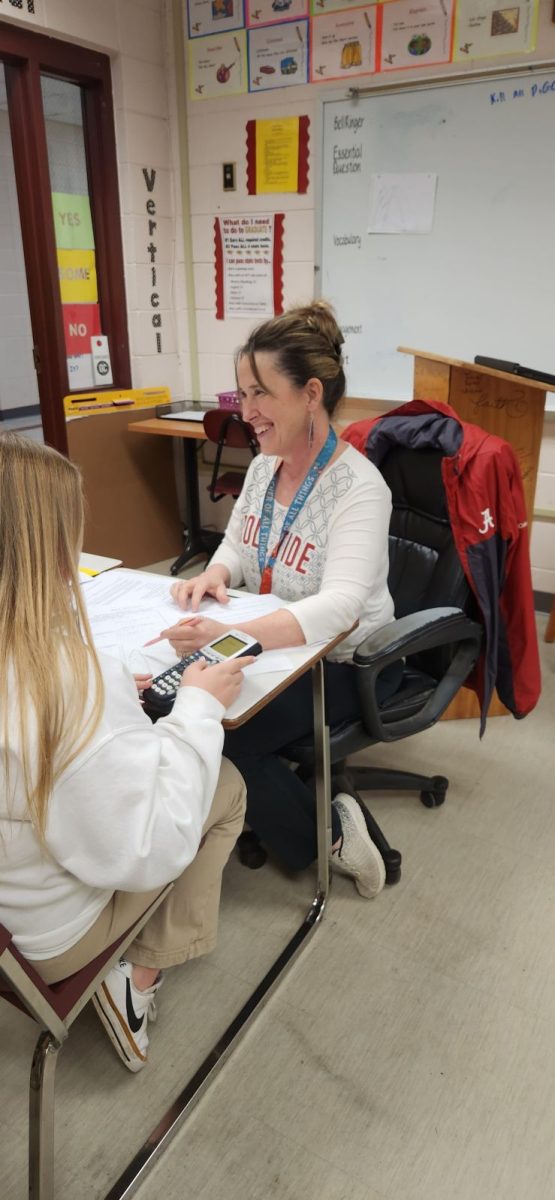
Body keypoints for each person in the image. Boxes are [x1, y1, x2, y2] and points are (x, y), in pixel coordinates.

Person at [0, 433, 251, 1072]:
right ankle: (136, 982)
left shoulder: (51, 674)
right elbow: (149, 846)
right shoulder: (63, 681)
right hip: (48, 936)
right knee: (223, 787)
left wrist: (112, 702)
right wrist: (196, 704)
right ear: (56, 550)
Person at [159, 301, 400, 899]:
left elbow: (342, 608)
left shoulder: (361, 489)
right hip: (277, 644)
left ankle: (334, 839)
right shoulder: (266, 467)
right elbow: (239, 545)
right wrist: (214, 574)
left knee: (226, 736)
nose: (247, 413)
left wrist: (227, 638)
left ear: (311, 393)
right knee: (165, 699)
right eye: (242, 395)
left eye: (260, 394)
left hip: (349, 662)